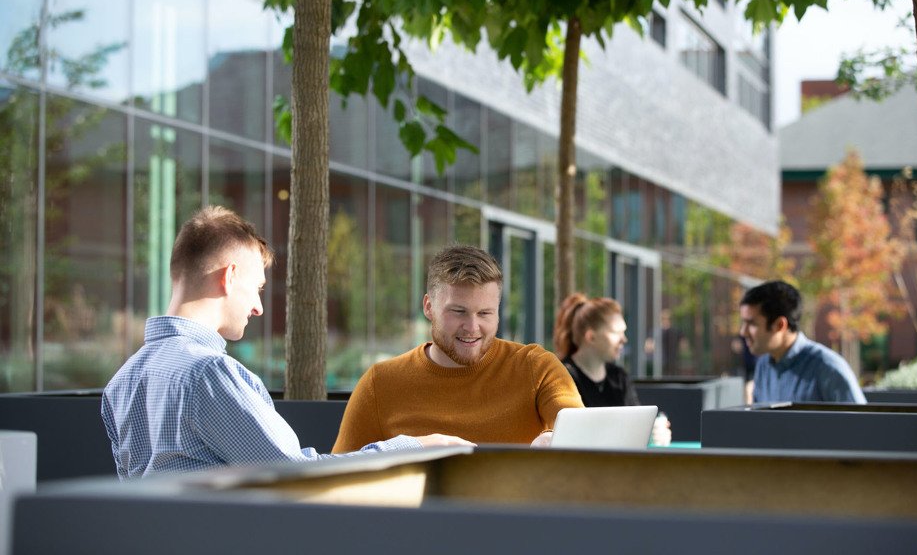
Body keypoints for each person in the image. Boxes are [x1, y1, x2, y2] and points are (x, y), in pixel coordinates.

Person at [102, 206, 470, 479]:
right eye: (257, 289)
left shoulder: (123, 380)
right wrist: (414, 447)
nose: (259, 307)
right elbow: (294, 476)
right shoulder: (209, 374)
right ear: (230, 277)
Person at [333, 245, 584, 452]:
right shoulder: (380, 383)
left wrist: (554, 436)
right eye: (458, 311)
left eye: (485, 313)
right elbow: (337, 477)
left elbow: (583, 431)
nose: (472, 327)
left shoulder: (536, 366)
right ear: (429, 306)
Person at [553, 293, 671, 446]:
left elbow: (637, 424)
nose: (624, 339)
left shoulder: (619, 377)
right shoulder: (561, 376)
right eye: (617, 333)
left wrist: (654, 432)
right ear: (591, 336)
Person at [739, 280, 866, 404]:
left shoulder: (827, 367)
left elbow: (862, 423)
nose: (743, 332)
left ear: (780, 325)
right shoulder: (763, 366)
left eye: (751, 324)